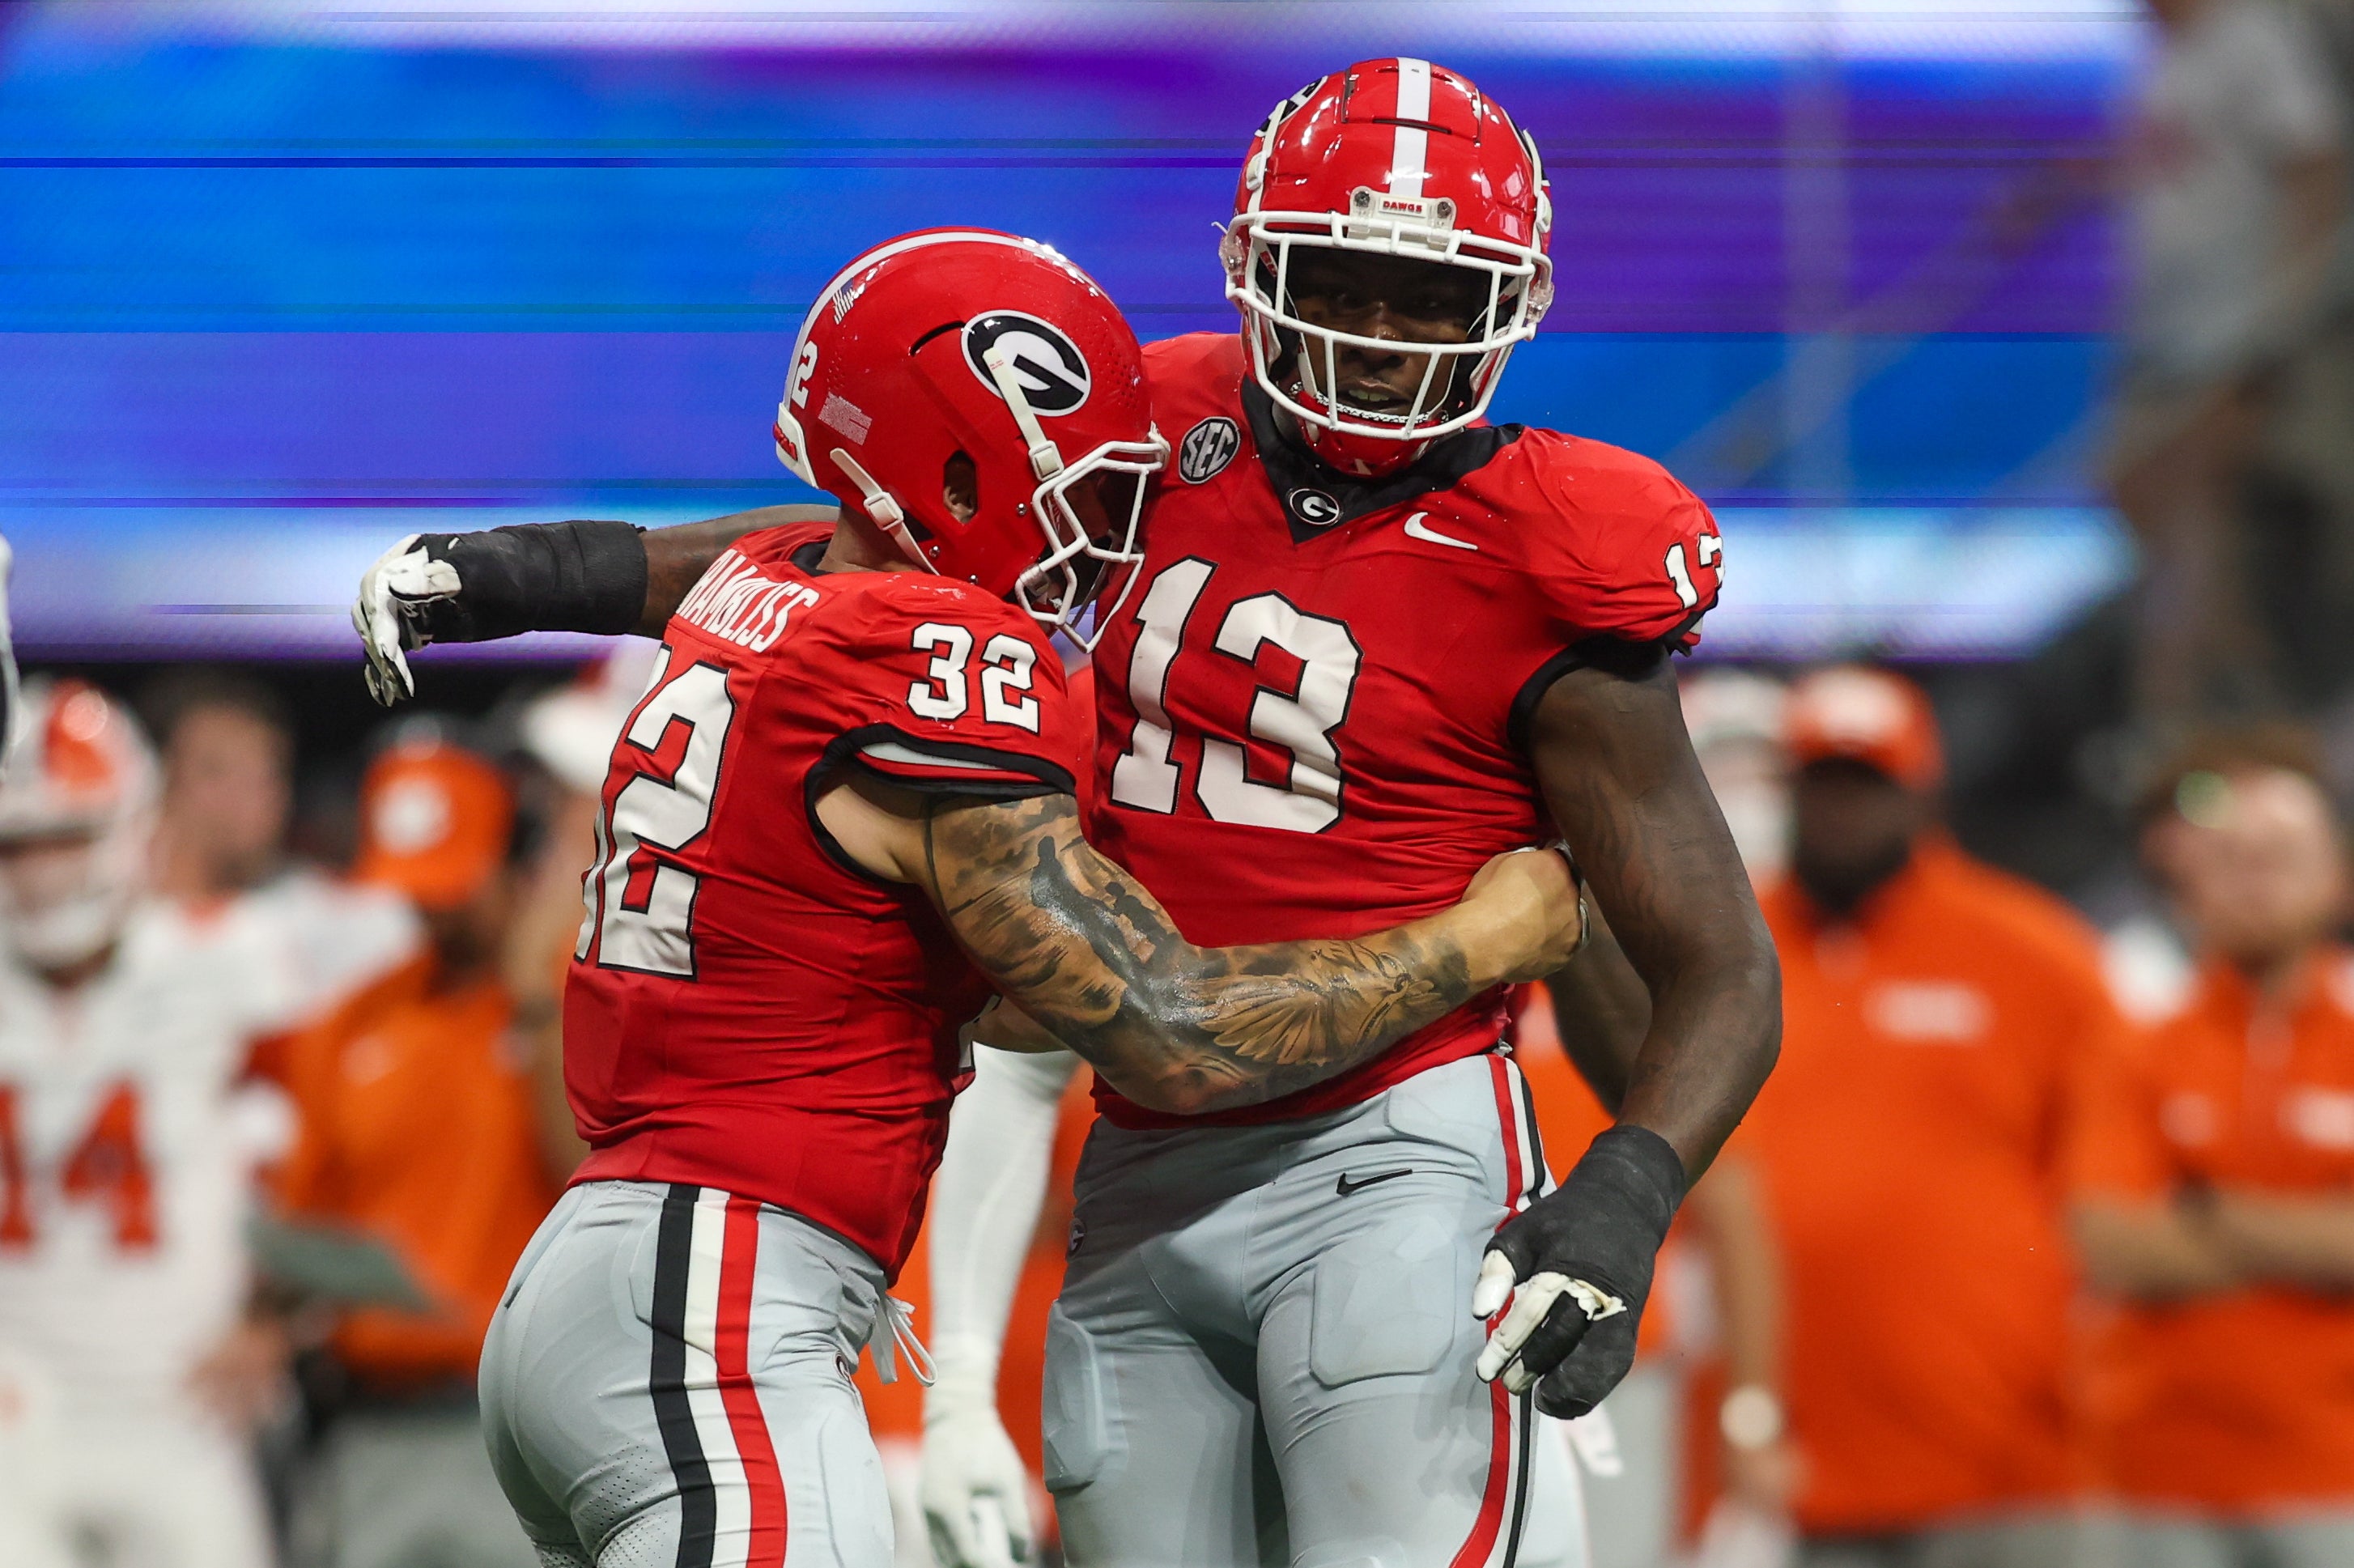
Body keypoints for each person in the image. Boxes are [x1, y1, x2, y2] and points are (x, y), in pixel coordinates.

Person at [357, 62, 1781, 1568]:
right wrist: (549, 573)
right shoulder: (1137, 422)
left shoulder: (1560, 543)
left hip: (1390, 1140)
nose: (1378, 339)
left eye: (1431, 298)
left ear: (1514, 300)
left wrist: (1627, 1187)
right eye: (1348, 282)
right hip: (1141, 1139)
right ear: (1255, 264)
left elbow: (1717, 961)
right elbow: (871, 525)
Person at [1740, 665, 2119, 1568]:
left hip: (2004, 1450)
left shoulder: (2035, 953)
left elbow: (2110, 1190)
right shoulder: (1724, 949)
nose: (1842, 810)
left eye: (1866, 784)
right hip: (1786, 1455)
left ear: (1921, 790)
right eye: (1821, 783)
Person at [0, 679, 296, 1568]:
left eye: (70, 835)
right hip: (21, 1412)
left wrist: (274, 1314)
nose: (46, 870)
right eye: (22, 843)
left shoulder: (231, 958)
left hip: (185, 1410)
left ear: (132, 825)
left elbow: (309, 1157)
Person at [273, 729, 563, 1568]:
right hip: (375, 1427)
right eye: (413, 889)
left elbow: (591, 1172)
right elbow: (307, 1218)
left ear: (521, 861)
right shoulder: (348, 1022)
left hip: (532, 1430)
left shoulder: (571, 1004)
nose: (428, 910)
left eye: (453, 886)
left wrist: (537, 995)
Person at [2069, 730, 2354, 1567]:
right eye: (2229, 858)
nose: (2253, 878)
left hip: (2335, 1470)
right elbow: (2109, 1237)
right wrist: (2312, 1233)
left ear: (2336, 872)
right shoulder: (2137, 1040)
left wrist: (2209, 1213)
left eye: (2279, 855)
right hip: (2157, 1471)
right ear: (2185, 880)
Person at [2110, 0, 2348, 730]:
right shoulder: (2168, 50)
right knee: (2149, 496)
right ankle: (2225, 676)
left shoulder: (2250, 36)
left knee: (2181, 491)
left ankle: (2204, 696)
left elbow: (2317, 165)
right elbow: (2180, 163)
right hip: (2169, 329)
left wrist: (2278, 310)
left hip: (2236, 330)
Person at [141, 668, 418, 1030]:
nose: (253, 793)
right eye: (217, 771)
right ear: (153, 779)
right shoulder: (98, 929)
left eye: (268, 772)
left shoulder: (346, 921)